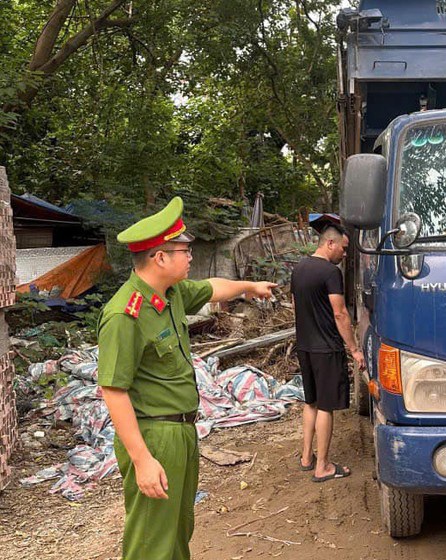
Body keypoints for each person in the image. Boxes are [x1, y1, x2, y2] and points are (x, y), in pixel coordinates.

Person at [97, 196, 277, 560]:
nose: (190, 256)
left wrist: (249, 286)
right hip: (154, 436)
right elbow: (113, 391)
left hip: (182, 432)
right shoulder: (124, 314)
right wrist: (143, 459)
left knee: (177, 532)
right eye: (183, 250)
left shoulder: (171, 294)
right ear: (160, 257)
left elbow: (212, 287)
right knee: (151, 543)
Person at [291, 223, 365, 482]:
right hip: (326, 348)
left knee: (310, 402)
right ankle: (322, 466)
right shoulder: (330, 272)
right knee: (325, 406)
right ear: (330, 243)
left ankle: (306, 457)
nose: (345, 254)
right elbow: (340, 313)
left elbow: (296, 307)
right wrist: (354, 349)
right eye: (344, 249)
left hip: (305, 346)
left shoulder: (299, 268)